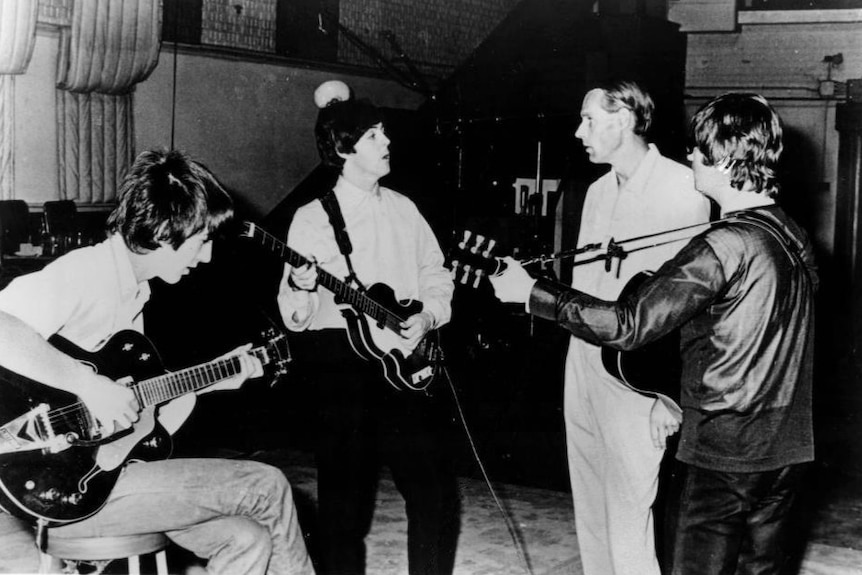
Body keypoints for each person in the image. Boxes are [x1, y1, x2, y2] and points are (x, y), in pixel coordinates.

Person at [490, 92, 816, 575]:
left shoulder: (722, 244)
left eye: (699, 149)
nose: (690, 157)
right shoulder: (792, 234)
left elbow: (628, 323)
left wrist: (533, 293)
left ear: (725, 159)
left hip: (723, 452)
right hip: (784, 449)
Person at [0, 149, 314, 575]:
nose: (205, 257)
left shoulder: (133, 291)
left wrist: (211, 380)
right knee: (267, 484)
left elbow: (139, 415)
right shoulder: (86, 273)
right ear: (167, 232)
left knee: (247, 538)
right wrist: (86, 384)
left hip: (109, 474)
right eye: (202, 241)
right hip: (66, 484)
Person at [277, 81, 458, 575]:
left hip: (408, 367)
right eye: (375, 135)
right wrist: (302, 284)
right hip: (344, 373)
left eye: (384, 133)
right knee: (342, 511)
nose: (387, 141)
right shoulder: (312, 220)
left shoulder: (405, 208)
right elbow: (296, 316)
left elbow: (435, 274)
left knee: (434, 494)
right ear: (343, 148)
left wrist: (427, 316)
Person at [555, 80, 711, 575]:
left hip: (637, 378)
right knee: (592, 508)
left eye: (590, 120)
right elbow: (584, 288)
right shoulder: (598, 190)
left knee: (628, 516)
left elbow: (689, 310)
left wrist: (668, 396)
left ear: (623, 119)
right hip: (583, 363)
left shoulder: (683, 190)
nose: (580, 131)